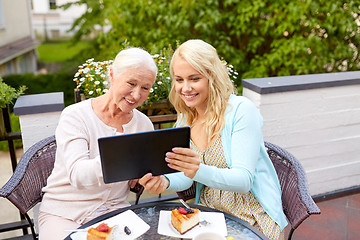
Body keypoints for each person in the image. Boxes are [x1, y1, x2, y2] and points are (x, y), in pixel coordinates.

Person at [139, 39, 288, 240]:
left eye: (194, 78)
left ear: (212, 77)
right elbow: (186, 176)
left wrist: (197, 169)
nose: (185, 88)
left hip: (251, 216)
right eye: (179, 79)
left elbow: (243, 181)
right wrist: (164, 181)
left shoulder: (241, 111)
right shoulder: (186, 117)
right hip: (209, 213)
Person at [38, 47, 157, 240]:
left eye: (145, 87)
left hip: (113, 212)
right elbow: (78, 174)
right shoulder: (75, 115)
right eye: (131, 83)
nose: (136, 95)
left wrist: (141, 178)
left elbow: (136, 181)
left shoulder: (144, 124)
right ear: (112, 75)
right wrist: (120, 155)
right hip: (65, 212)